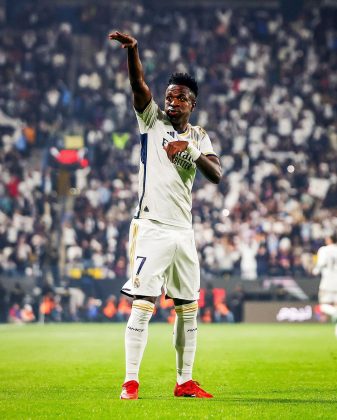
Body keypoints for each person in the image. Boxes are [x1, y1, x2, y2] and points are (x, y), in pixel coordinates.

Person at [108, 31, 221, 400]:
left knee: (188, 308)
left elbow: (216, 174)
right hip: (152, 226)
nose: (172, 101)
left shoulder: (200, 136)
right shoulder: (152, 121)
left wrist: (188, 150)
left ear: (192, 105)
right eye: (169, 95)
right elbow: (138, 85)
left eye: (180, 98)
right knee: (144, 304)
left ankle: (184, 381)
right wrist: (133, 51)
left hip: (183, 232)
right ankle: (130, 381)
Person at [313, 233, 337, 337]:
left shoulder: (323, 250)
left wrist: (315, 270)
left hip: (327, 283)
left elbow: (320, 265)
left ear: (330, 239)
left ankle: (334, 313)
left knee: (322, 306)